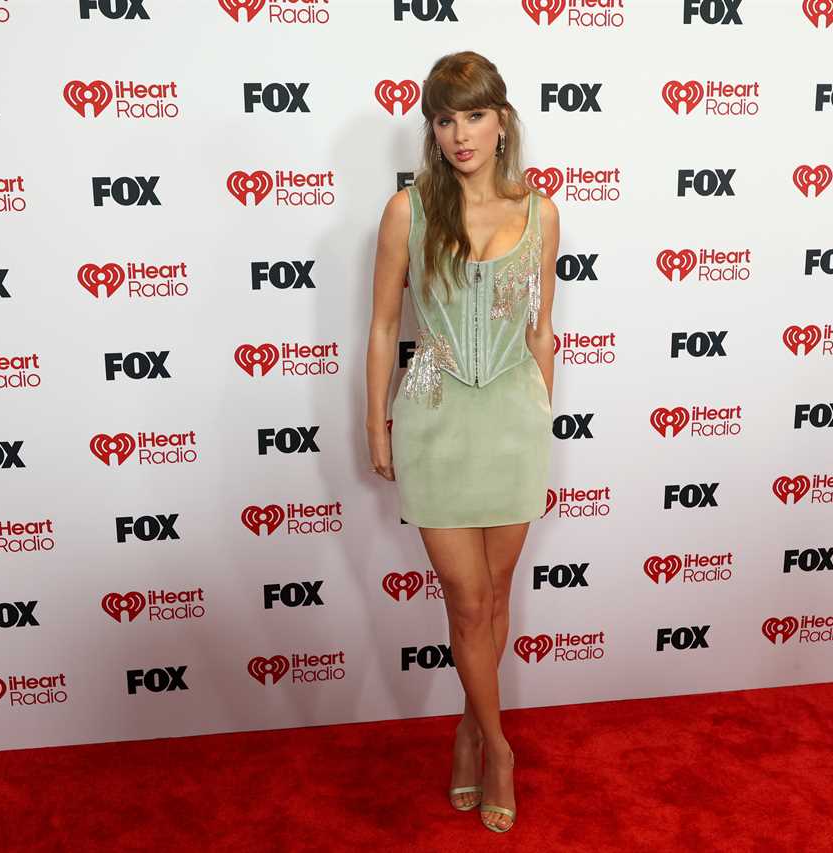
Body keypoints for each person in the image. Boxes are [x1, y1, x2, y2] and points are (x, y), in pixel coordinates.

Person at [364, 50, 560, 834]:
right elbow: (382, 326)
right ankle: (501, 747)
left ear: (502, 120)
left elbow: (542, 329)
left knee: (496, 596)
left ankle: (467, 730)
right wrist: (372, 420)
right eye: (444, 119)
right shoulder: (405, 213)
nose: (459, 133)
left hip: (514, 421)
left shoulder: (541, 212)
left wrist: (543, 411)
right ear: (432, 131)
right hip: (435, 420)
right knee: (467, 597)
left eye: (473, 114)